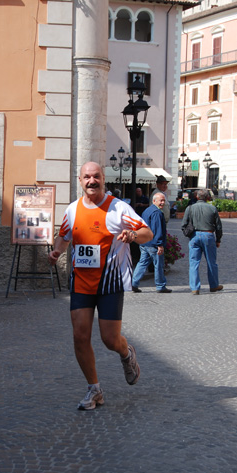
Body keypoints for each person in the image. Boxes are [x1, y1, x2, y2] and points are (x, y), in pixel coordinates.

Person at [48, 162, 153, 411]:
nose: (92, 181)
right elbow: (63, 236)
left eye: (96, 176)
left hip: (109, 284)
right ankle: (94, 390)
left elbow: (147, 233)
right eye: (87, 177)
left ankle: (126, 353)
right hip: (81, 284)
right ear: (80, 180)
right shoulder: (72, 210)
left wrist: (132, 236)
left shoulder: (118, 208)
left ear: (103, 179)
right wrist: (56, 251)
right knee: (80, 336)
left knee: (109, 339)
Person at [181, 189, 223, 295]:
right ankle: (213, 285)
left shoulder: (190, 208)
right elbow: (218, 226)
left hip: (194, 236)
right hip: (208, 235)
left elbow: (183, 225)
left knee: (194, 263)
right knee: (211, 262)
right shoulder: (212, 208)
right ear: (207, 197)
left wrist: (189, 235)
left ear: (197, 197)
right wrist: (218, 239)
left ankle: (195, 288)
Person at [131, 193, 172, 294]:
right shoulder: (157, 213)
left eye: (163, 200)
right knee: (158, 265)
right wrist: (160, 245)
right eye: (160, 200)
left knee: (142, 262)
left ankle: (134, 283)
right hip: (153, 244)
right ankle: (160, 285)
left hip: (144, 242)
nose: (162, 202)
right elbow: (157, 230)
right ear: (154, 201)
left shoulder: (147, 210)